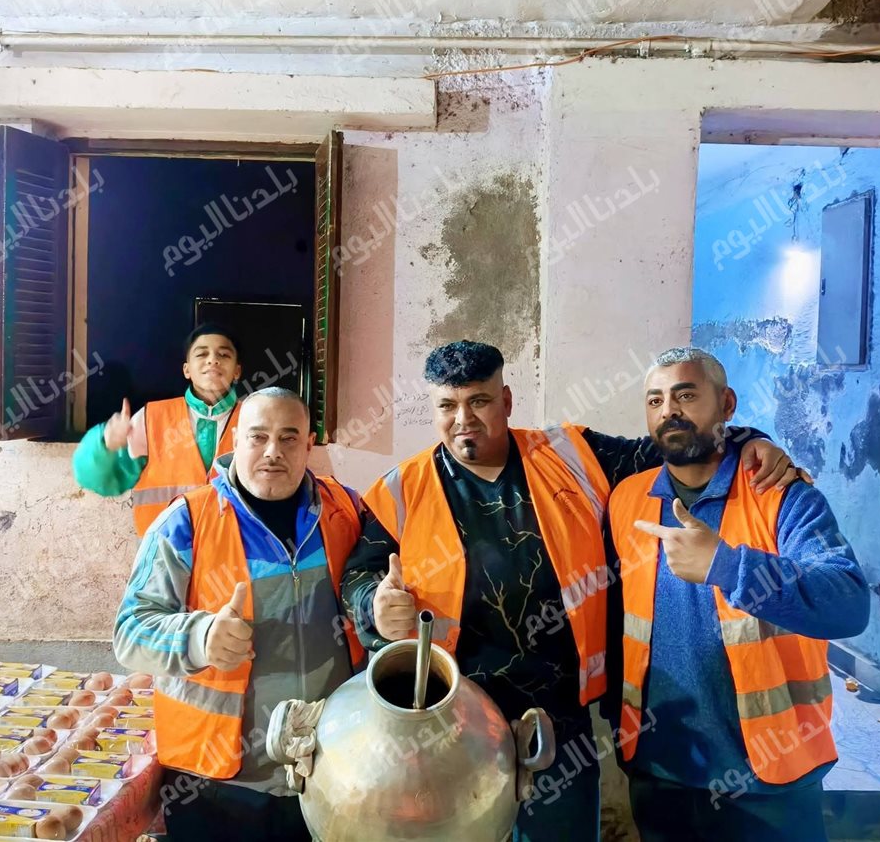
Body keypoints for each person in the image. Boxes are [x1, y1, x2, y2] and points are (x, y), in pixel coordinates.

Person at [341, 340, 802, 842]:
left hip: (559, 722)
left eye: (479, 401)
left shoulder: (571, 455)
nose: (463, 419)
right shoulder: (401, 489)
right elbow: (359, 575)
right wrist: (375, 605)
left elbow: (671, 446)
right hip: (448, 721)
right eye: (447, 406)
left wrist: (746, 439)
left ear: (506, 401)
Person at [606, 347, 869, 841]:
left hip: (772, 777)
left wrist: (727, 567)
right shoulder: (627, 499)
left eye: (686, 395)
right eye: (655, 400)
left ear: (727, 404)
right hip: (661, 772)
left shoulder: (780, 494)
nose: (669, 411)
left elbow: (849, 603)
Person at [113, 387, 377, 841]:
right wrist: (200, 637)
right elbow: (130, 631)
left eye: (289, 438)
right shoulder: (187, 521)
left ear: (309, 444)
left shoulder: (347, 511)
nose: (273, 451)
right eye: (258, 437)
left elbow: (371, 592)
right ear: (236, 438)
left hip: (324, 771)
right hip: (214, 786)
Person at [73, 322, 244, 535]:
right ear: (187, 370)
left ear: (237, 371)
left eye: (224, 354)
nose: (213, 360)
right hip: (164, 549)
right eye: (202, 354)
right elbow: (98, 480)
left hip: (235, 549)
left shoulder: (255, 419)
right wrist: (105, 445)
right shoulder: (151, 418)